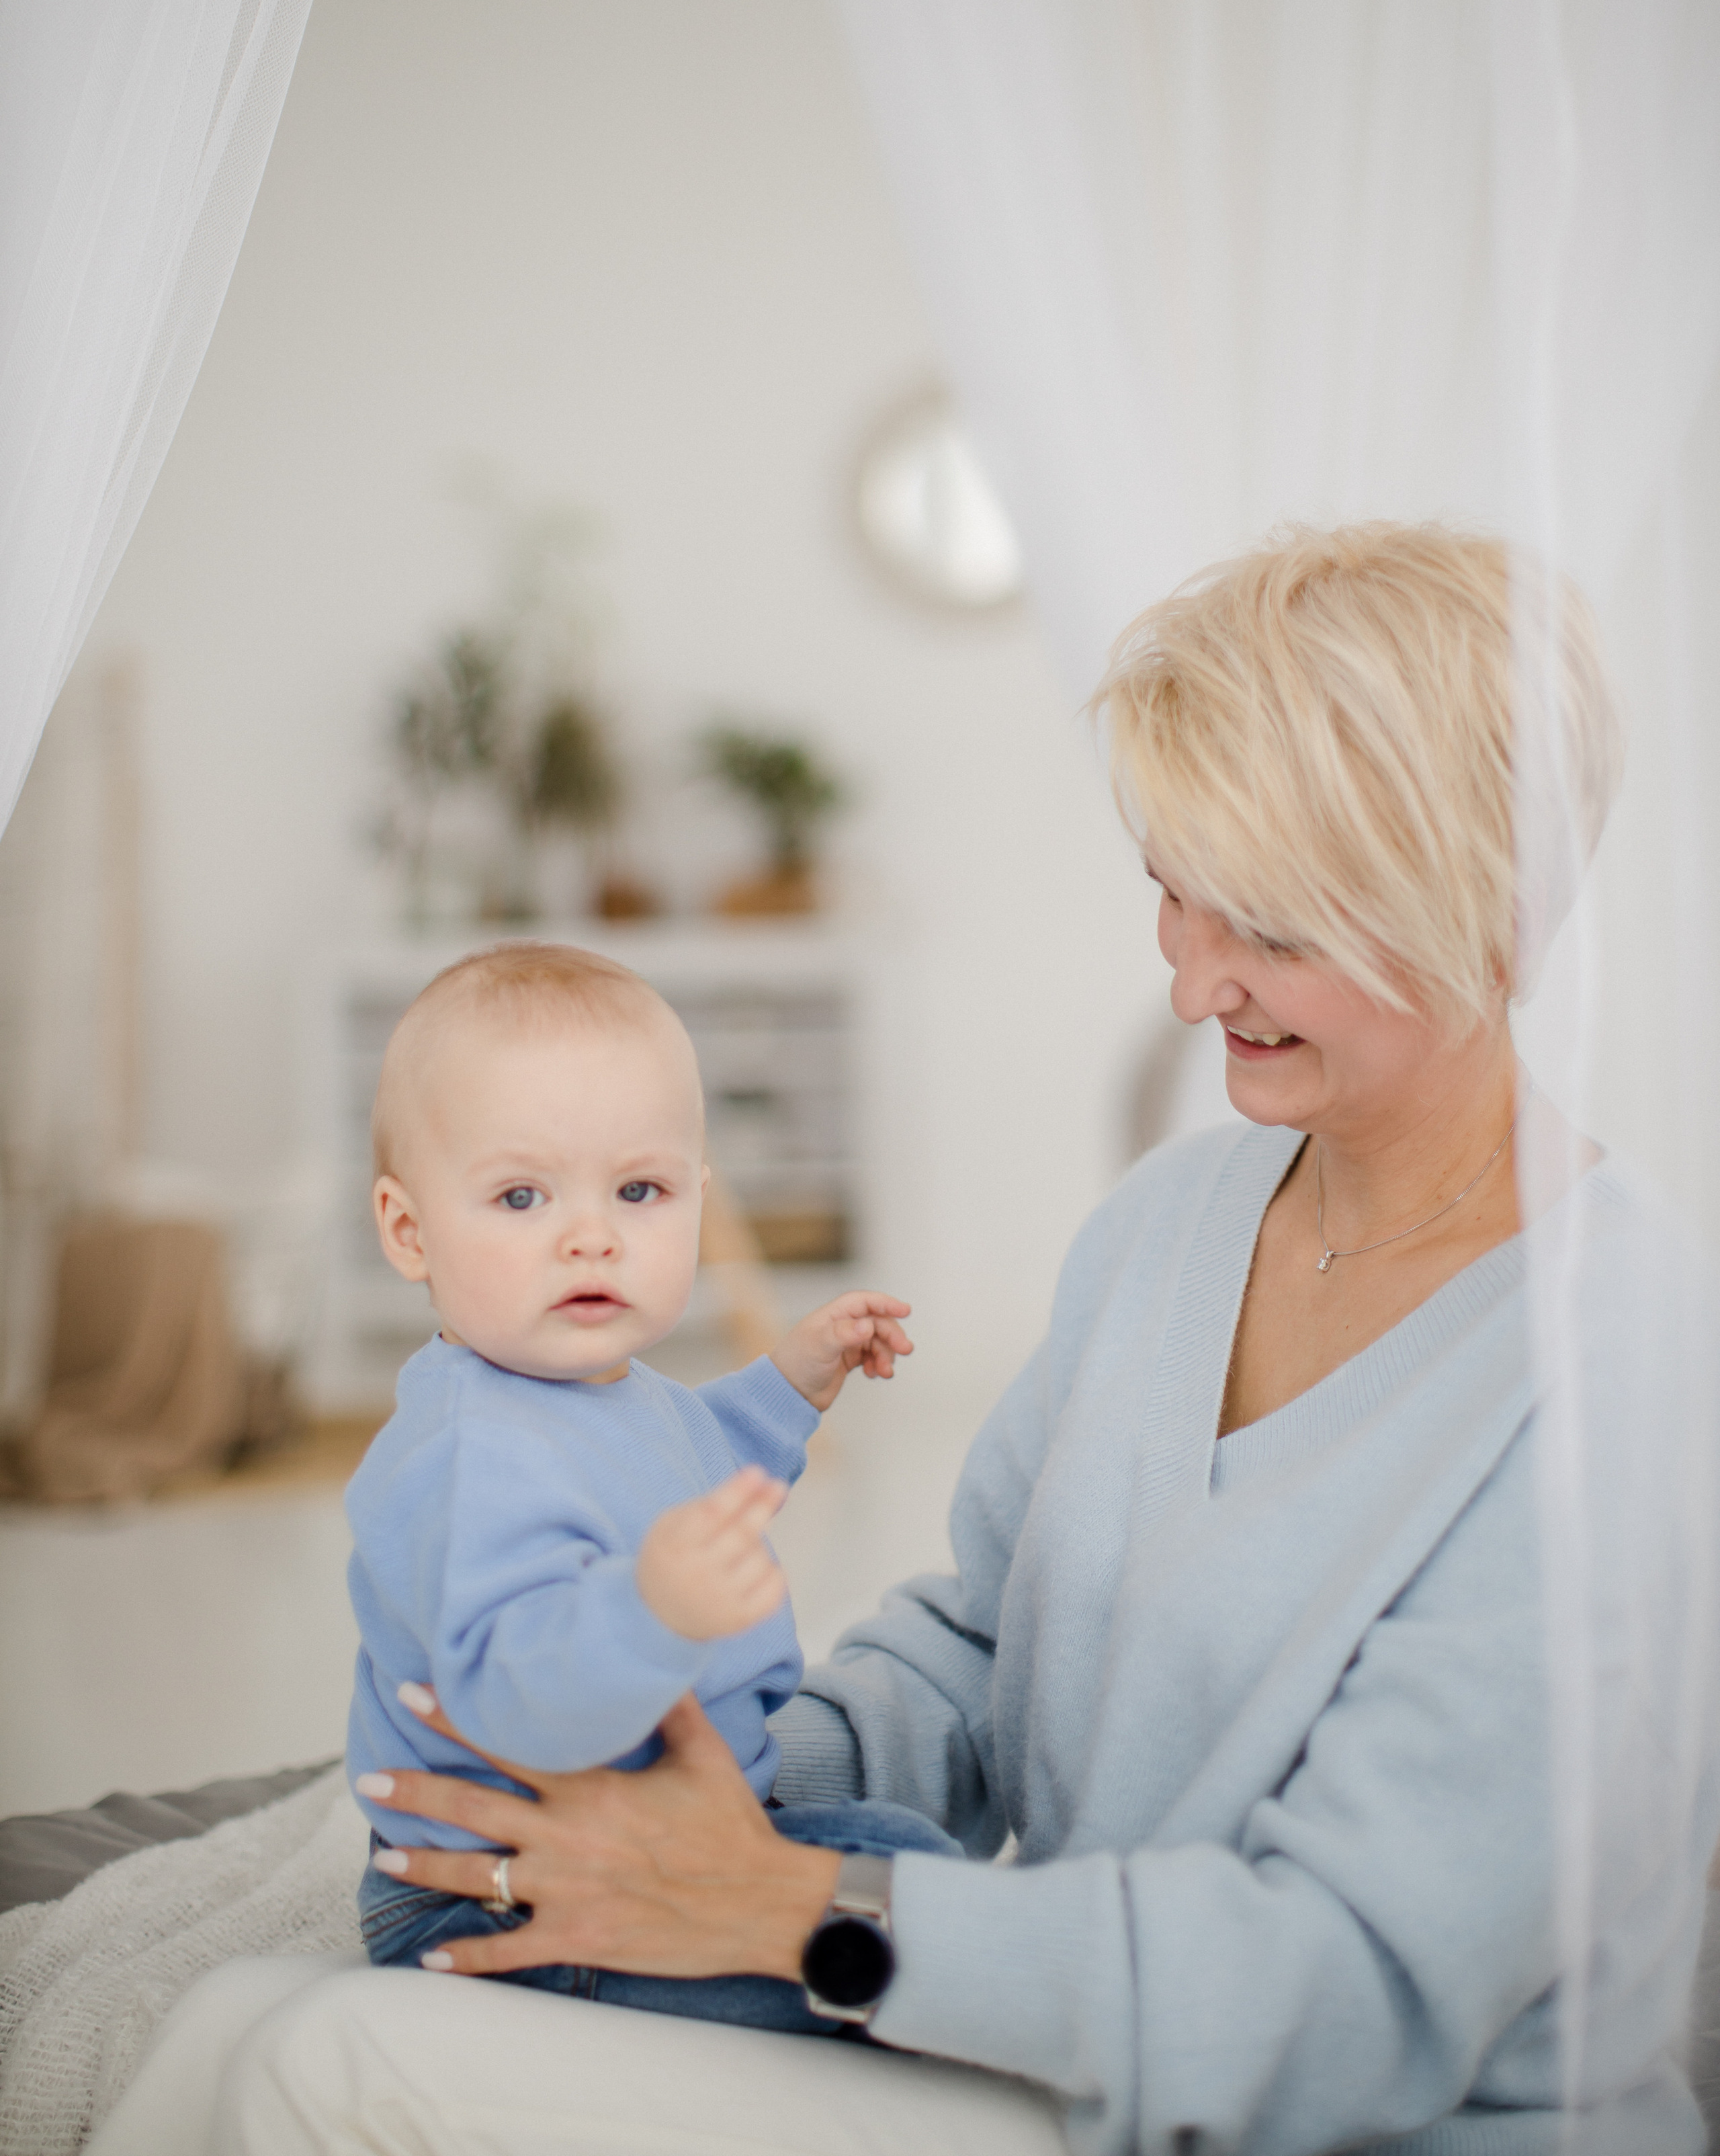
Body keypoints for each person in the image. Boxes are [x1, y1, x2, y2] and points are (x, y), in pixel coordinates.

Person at [225, 526, 1718, 2155]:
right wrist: (694, 1789)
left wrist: (797, 1908)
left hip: (1317, 2125)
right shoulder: (1176, 1220)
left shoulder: (1616, 1376)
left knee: (331, 2065)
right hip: (1064, 2054)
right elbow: (984, 1647)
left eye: (1271, 931)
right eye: (1170, 888)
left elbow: (1345, 1990)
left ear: (1489, 918)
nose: (1191, 984)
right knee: (256, 2020)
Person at [345, 943, 957, 2032]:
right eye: (521, 1194)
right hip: (505, 1894)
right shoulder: (466, 1451)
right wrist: (649, 1610)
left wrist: (787, 1390)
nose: (594, 1233)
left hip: (681, 1824)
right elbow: (511, 1693)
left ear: (699, 1197)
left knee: (917, 1875)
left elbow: (689, 1460)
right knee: (901, 1972)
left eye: (641, 1189)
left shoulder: (606, 1389)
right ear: (408, 1229)